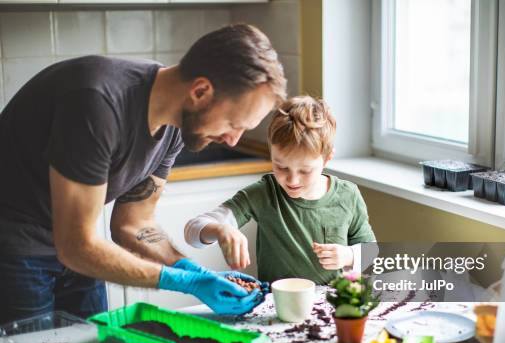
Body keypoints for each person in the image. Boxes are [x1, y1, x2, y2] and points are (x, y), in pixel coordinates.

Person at [0, 24, 287, 325]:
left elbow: (133, 223)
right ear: (201, 91)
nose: (233, 140)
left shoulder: (175, 126)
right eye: (233, 123)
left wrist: (193, 271)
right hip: (15, 249)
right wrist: (181, 282)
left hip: (77, 251)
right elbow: (76, 246)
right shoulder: (97, 103)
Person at [184, 96, 376, 284]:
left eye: (305, 170)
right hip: (274, 305)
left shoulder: (348, 196)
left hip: (329, 306)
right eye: (281, 167)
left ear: (326, 159)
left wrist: (349, 255)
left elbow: (372, 254)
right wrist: (220, 229)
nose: (292, 179)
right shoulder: (264, 193)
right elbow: (193, 231)